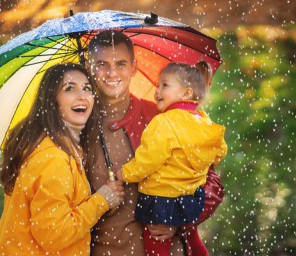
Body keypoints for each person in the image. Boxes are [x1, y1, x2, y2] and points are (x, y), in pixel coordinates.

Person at [83, 31, 225, 255]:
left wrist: (178, 219)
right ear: (89, 67)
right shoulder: (78, 125)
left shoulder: (164, 117)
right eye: (102, 64)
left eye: (120, 63)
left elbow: (212, 184)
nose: (112, 73)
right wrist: (99, 201)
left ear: (134, 67)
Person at [0, 63, 125, 255]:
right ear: (53, 100)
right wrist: (102, 200)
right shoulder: (53, 158)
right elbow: (55, 235)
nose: (81, 95)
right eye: (69, 88)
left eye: (87, 88)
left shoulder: (57, 146)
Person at [115, 61, 227, 256]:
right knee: (193, 239)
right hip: (191, 195)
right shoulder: (203, 120)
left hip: (161, 198)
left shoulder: (164, 122)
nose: (157, 91)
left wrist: (125, 174)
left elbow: (148, 160)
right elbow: (219, 152)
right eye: (158, 85)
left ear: (186, 93)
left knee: (156, 244)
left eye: (164, 85)